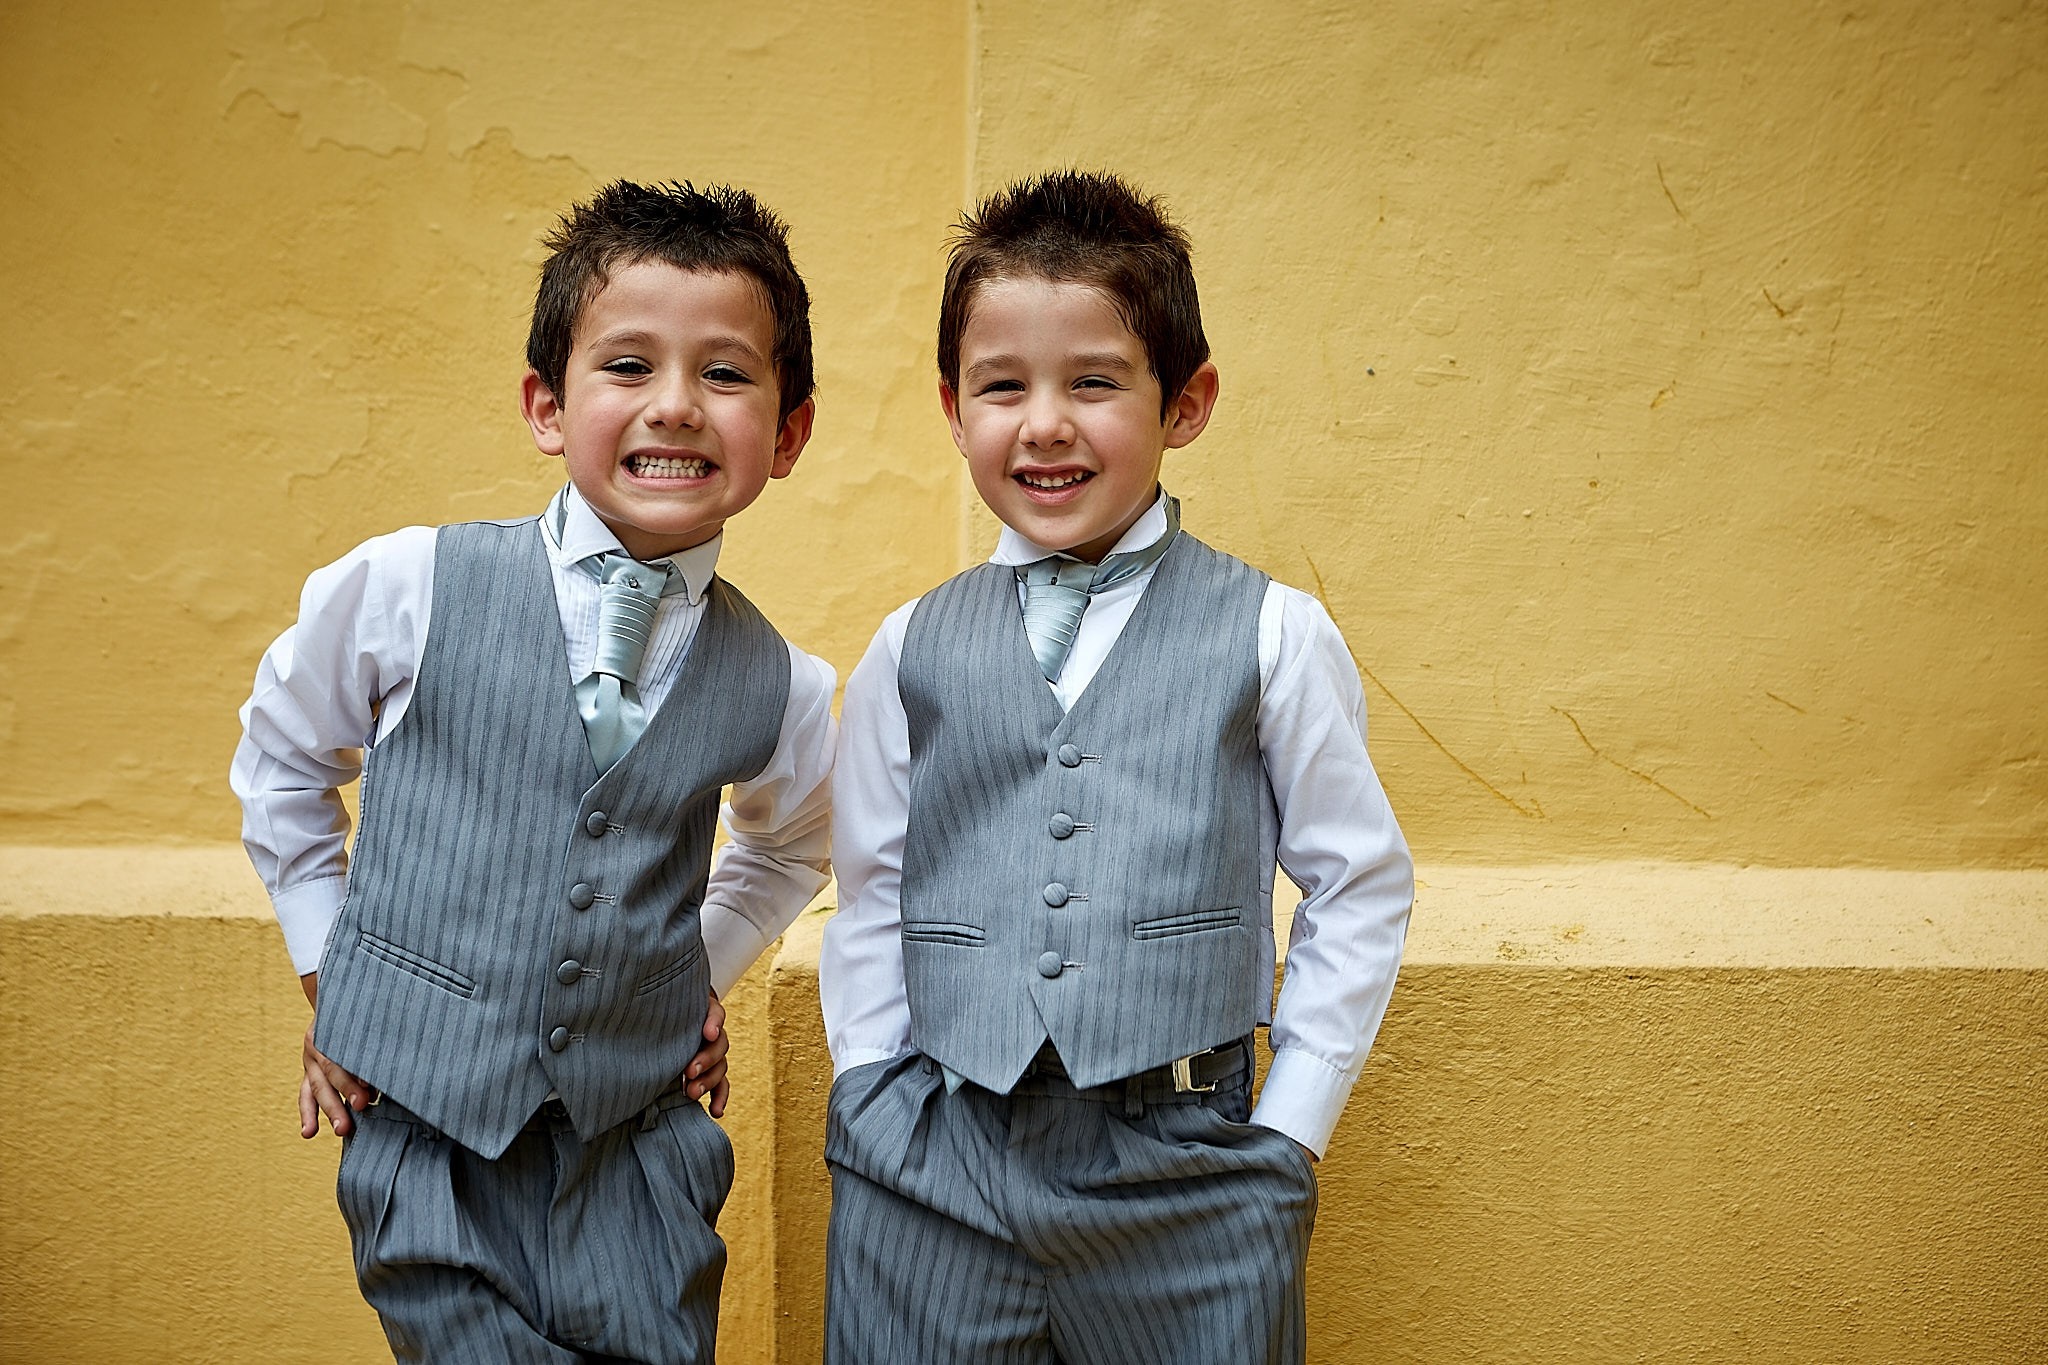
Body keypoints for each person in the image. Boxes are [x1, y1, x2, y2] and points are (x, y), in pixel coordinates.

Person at [231, 179, 835, 1364]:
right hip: (427, 1137)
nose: (675, 405)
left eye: (724, 373)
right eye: (628, 365)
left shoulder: (785, 685)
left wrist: (695, 974)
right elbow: (284, 760)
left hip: (641, 1155)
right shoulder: (407, 586)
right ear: (547, 407)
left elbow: (787, 845)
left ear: (788, 433)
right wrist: (329, 968)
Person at [819, 169, 1414, 1364]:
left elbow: (1357, 883)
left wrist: (1287, 1137)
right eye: (1002, 386)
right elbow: (873, 885)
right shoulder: (908, 644)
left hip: (1189, 1170)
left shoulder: (1271, 631)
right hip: (933, 1169)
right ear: (952, 410)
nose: (1044, 424)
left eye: (1092, 382)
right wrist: (872, 1092)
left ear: (1183, 403)